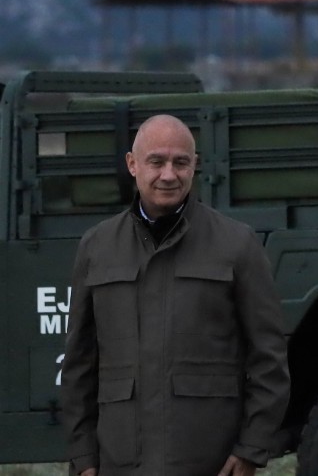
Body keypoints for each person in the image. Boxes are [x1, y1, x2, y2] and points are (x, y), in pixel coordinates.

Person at [61, 114, 290, 476]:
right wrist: (83, 457)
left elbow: (269, 359)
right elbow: (78, 366)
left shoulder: (236, 244)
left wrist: (251, 448)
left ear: (195, 166)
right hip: (120, 462)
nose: (169, 174)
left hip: (209, 461)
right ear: (132, 165)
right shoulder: (97, 247)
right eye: (157, 161)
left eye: (180, 162)